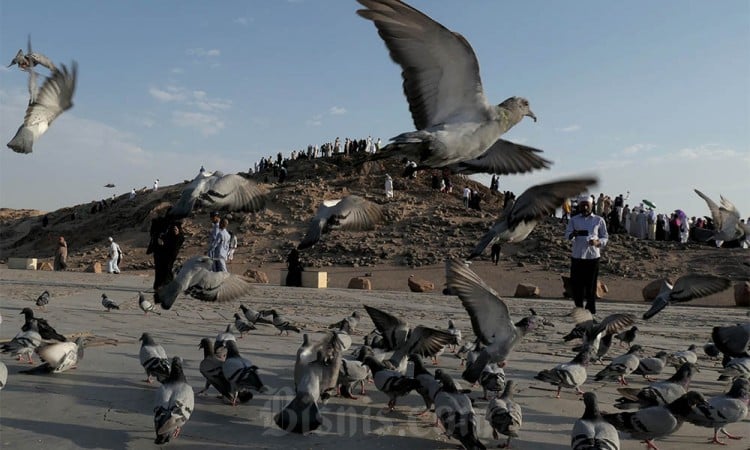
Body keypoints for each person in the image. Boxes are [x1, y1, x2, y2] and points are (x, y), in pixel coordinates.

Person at [565, 195, 608, 314]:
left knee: (591, 285)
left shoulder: (599, 220)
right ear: (579, 206)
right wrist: (573, 234)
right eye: (582, 205)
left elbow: (605, 237)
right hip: (577, 256)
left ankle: (590, 309)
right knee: (576, 285)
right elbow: (567, 235)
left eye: (587, 205)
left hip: (592, 256)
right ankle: (578, 308)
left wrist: (597, 242)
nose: (584, 207)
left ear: (591, 206)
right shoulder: (574, 220)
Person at [148, 218, 185, 292]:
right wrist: (157, 239)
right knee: (159, 269)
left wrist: (177, 234)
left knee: (167, 268)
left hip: (170, 251)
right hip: (159, 251)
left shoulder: (175, 224)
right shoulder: (158, 223)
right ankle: (159, 286)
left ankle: (167, 285)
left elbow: (181, 238)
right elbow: (153, 234)